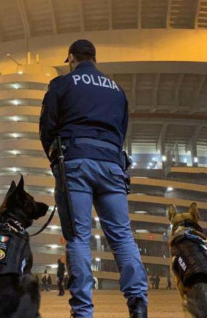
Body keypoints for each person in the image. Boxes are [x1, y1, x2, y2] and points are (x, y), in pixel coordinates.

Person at [40, 39, 148, 318]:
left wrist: (54, 159)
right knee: (123, 236)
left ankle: (83, 311)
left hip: (75, 162)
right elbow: (122, 129)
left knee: (77, 238)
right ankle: (138, 301)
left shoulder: (62, 84)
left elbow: (48, 126)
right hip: (112, 165)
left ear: (71, 58)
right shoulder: (116, 89)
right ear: (94, 59)